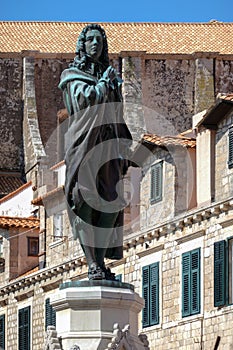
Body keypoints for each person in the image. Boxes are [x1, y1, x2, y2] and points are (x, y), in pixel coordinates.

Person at [59, 24, 133, 280]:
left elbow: (117, 110)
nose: (95, 44)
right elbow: (84, 100)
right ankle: (92, 263)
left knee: (110, 205)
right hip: (83, 144)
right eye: (90, 40)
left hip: (108, 144)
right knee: (84, 201)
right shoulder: (72, 75)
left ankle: (99, 262)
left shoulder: (108, 75)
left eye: (99, 40)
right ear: (82, 45)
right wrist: (103, 84)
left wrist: (123, 145)